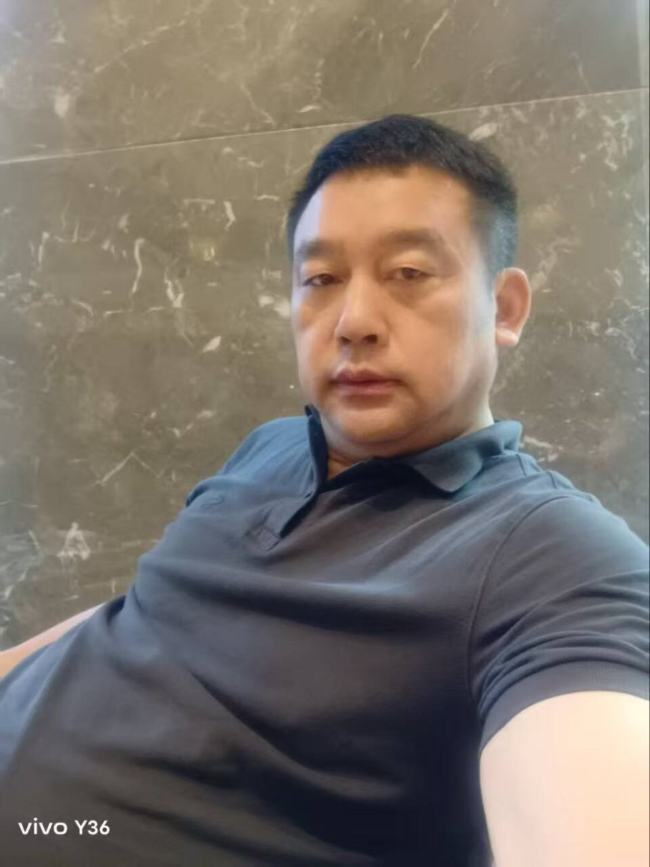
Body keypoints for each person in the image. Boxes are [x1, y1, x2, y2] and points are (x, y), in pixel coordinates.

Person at [0, 114, 648, 867]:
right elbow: (142, 613)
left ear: (504, 307)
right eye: (321, 280)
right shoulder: (270, 446)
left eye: (409, 273)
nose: (354, 321)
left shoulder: (552, 558)